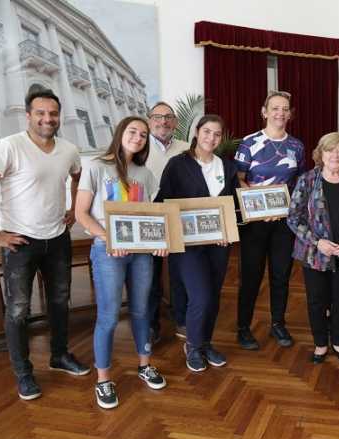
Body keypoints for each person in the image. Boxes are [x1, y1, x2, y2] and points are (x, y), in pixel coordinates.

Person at [0, 89, 89, 400]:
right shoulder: (8, 147)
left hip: (57, 238)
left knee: (60, 302)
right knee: (17, 310)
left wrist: (73, 208)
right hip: (20, 242)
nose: (48, 119)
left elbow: (78, 177)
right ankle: (24, 373)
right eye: (40, 113)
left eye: (53, 113)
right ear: (28, 115)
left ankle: (59, 356)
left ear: (58, 116)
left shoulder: (69, 149)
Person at [75, 116, 167, 409]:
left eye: (143, 134)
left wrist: (161, 241)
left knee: (141, 311)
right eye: (132, 131)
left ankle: (144, 364)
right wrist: (109, 239)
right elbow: (81, 214)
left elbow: (153, 217)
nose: (138, 137)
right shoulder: (96, 166)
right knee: (110, 316)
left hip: (141, 253)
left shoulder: (146, 174)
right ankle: (103, 380)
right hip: (107, 251)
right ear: (120, 133)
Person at [155, 115, 239, 372]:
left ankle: (206, 343)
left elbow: (232, 205)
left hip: (219, 244)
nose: (211, 138)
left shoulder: (227, 167)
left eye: (216, 134)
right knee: (200, 297)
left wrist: (228, 227)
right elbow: (162, 201)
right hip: (188, 245)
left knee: (212, 296)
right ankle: (192, 345)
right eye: (207, 132)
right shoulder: (178, 164)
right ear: (196, 132)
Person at [287, 132, 339, 364]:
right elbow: (294, 217)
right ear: (321, 154)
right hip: (315, 255)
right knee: (317, 300)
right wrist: (317, 242)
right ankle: (321, 344)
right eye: (330, 150)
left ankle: (338, 342)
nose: (336, 155)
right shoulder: (307, 180)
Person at [234, 91, 305, 350]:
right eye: (275, 108)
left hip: (283, 222)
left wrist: (286, 207)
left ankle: (278, 322)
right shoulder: (249, 142)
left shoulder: (296, 146)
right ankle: (243, 327)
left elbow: (298, 182)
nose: (280, 113)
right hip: (255, 221)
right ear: (264, 112)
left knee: (280, 275)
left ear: (290, 113)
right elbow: (238, 179)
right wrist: (257, 200)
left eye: (285, 109)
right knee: (251, 276)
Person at [146, 101, 191, 344]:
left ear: (175, 122)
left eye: (168, 117)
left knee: (181, 273)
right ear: (149, 120)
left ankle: (181, 318)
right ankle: (152, 325)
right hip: (150, 220)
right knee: (151, 276)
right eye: (157, 117)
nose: (163, 121)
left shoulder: (186, 148)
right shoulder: (139, 145)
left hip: (181, 219)